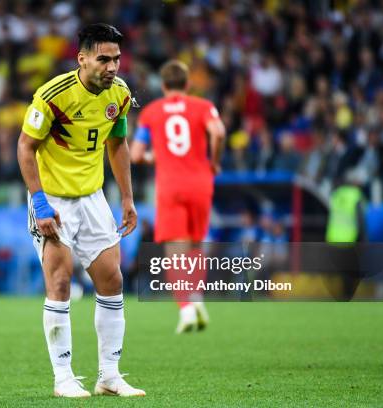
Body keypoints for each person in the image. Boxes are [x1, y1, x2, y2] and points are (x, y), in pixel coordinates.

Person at [17, 23, 145, 398]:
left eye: (117, 59)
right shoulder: (53, 95)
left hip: (92, 199)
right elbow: (25, 147)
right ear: (82, 58)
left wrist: (126, 198)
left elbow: (118, 144)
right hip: (52, 200)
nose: (112, 67)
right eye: (104, 59)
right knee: (60, 282)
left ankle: (109, 375)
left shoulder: (120, 94)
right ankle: (63, 379)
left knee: (112, 281)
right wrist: (39, 203)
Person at [130, 60, 226, 334]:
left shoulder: (151, 112)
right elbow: (218, 131)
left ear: (163, 86)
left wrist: (153, 156)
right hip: (200, 182)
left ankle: (185, 309)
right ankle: (197, 299)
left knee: (174, 251)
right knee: (196, 245)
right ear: (188, 85)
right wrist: (215, 161)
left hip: (171, 185)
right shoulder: (203, 106)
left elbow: (136, 154)